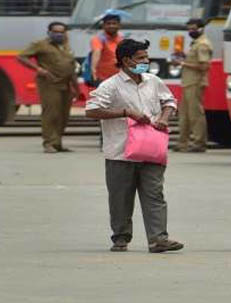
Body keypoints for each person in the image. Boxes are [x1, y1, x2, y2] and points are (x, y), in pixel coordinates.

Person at [85, 38, 184, 254]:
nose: (146, 61)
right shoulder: (110, 86)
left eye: (146, 57)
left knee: (155, 194)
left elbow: (169, 101)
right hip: (120, 153)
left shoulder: (153, 81)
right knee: (120, 197)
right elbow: (91, 110)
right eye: (141, 58)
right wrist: (125, 112)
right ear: (126, 60)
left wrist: (165, 118)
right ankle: (120, 238)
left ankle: (158, 239)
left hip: (152, 150)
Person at [16, 22, 81, 153]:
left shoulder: (66, 46)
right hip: (49, 83)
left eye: (62, 32)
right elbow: (21, 57)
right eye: (55, 31)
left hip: (66, 84)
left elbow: (71, 68)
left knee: (63, 115)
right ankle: (48, 143)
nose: (59, 34)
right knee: (51, 113)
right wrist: (39, 69)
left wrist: (76, 88)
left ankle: (57, 143)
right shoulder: (40, 44)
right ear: (49, 32)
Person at [173, 18, 212, 152]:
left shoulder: (202, 44)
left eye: (194, 28)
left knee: (195, 114)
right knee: (184, 114)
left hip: (195, 82)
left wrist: (182, 64)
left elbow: (204, 66)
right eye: (189, 28)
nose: (191, 31)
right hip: (188, 82)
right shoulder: (195, 43)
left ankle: (199, 143)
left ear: (201, 28)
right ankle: (182, 142)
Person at [91, 13, 124, 84]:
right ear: (103, 26)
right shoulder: (98, 39)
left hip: (120, 78)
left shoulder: (122, 39)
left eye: (114, 23)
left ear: (119, 25)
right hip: (103, 79)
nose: (111, 26)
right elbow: (97, 52)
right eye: (108, 23)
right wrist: (93, 69)